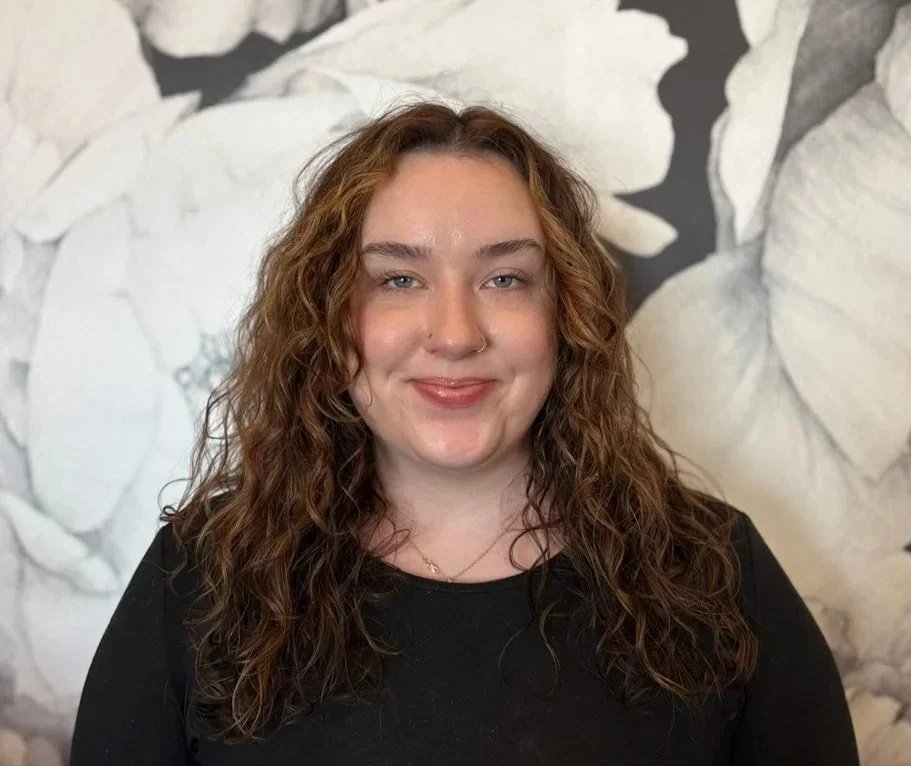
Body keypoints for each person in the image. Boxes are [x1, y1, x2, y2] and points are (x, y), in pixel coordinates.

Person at [69, 101, 861, 765]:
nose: (453, 333)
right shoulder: (204, 578)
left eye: (504, 278)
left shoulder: (714, 574)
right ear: (330, 316)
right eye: (398, 279)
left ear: (566, 315)